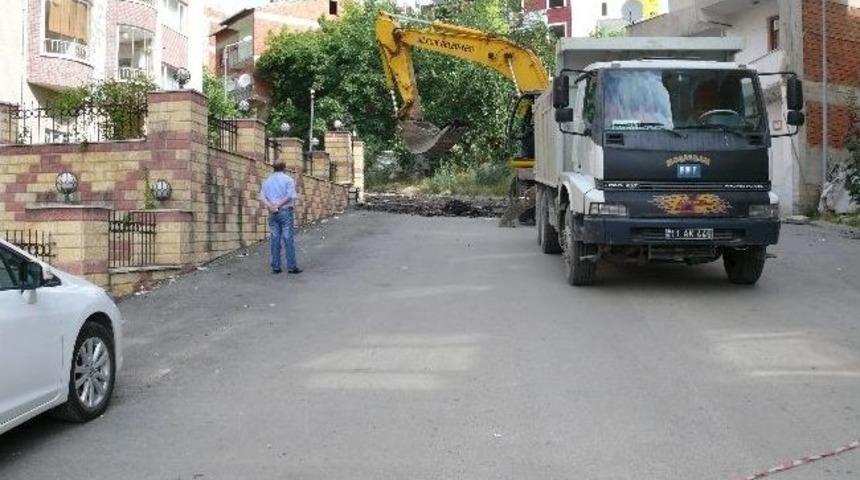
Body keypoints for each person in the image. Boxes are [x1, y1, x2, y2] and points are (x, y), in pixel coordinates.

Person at [260, 162, 301, 275]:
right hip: (285, 211)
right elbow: (289, 195)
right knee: (288, 239)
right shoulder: (288, 180)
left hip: (272, 212)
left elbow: (262, 196)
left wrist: (271, 206)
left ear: (273, 168)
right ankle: (292, 267)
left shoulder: (267, 181)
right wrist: (278, 205)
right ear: (284, 168)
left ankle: (276, 267)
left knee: (275, 239)